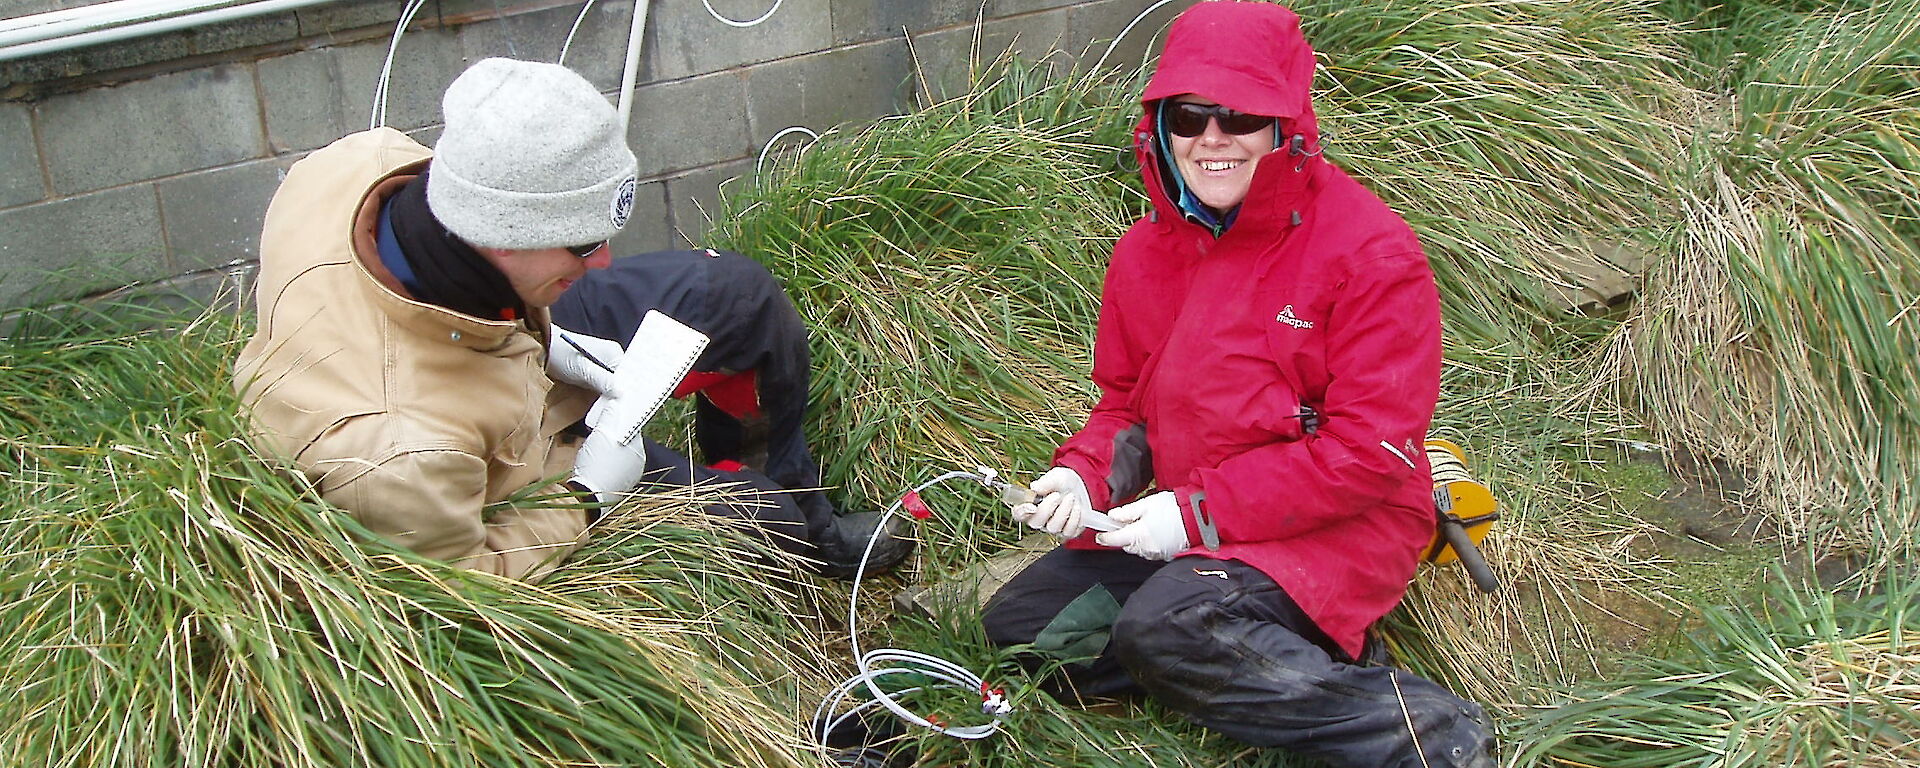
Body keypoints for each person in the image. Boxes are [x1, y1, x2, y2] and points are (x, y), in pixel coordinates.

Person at [978, 3, 1496, 767]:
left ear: (1286, 126)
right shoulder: (1144, 254)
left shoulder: (1372, 252)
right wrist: (1083, 478)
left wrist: (1195, 518)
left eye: (1242, 115)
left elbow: (1370, 453)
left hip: (1341, 526)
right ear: (1161, 126)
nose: (1212, 139)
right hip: (1194, 523)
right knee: (1023, 629)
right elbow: (1127, 406)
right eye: (1189, 116)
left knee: (1168, 627)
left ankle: (1422, 731)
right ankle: (1241, 647)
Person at [232, 57, 911, 582]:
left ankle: (808, 514)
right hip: (507, 462)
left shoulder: (361, 164)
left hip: (495, 330)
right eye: (584, 244)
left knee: (738, 298)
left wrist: (548, 344)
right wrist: (587, 500)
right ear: (502, 235)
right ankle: (782, 548)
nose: (607, 262)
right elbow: (471, 588)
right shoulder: (402, 457)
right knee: (759, 523)